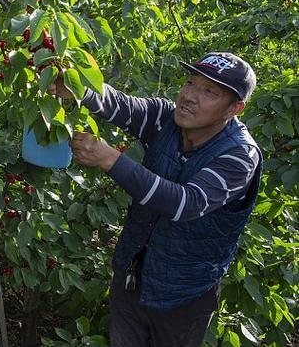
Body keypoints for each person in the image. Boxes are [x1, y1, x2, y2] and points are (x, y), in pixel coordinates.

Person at [50, 52, 262, 346]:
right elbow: (122, 105)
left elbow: (185, 203)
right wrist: (77, 88)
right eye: (190, 83)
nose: (190, 96)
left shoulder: (239, 155)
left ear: (234, 109)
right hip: (132, 275)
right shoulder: (166, 119)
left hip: (183, 296)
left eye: (209, 92)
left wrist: (111, 159)